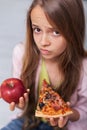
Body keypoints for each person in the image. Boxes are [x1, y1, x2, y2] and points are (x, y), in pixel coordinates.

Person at [1, 0, 87, 130]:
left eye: (56, 32)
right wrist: (20, 104)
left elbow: (85, 109)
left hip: (66, 127)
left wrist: (67, 114)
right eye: (37, 29)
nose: (43, 42)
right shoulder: (21, 54)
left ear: (74, 31)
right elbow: (22, 95)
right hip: (28, 119)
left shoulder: (84, 67)